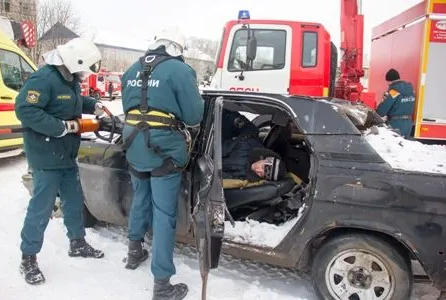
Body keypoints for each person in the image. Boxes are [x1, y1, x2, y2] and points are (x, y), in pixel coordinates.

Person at [120, 27, 204, 300]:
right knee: (164, 214)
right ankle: (162, 285)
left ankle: (134, 252)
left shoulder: (132, 69)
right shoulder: (181, 71)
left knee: (140, 197)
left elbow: (127, 107)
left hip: (133, 144)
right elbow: (193, 116)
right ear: (178, 49)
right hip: (164, 148)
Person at [14, 38, 106, 285]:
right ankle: (28, 258)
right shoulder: (44, 79)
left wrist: (92, 105)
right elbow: (25, 109)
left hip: (66, 154)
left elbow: (69, 102)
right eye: (84, 67)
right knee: (41, 209)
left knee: (74, 201)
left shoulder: (70, 79)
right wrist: (59, 127)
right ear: (74, 61)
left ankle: (77, 243)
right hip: (46, 155)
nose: (85, 74)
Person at [222, 110, 286, 182]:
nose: (257, 170)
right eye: (262, 167)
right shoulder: (249, 140)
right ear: (265, 158)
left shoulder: (244, 179)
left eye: (261, 174)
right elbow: (231, 118)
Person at [376, 68, 416, 138]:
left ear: (390, 81)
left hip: (396, 124)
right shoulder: (410, 89)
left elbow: (381, 111)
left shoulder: (393, 91)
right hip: (409, 123)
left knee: (395, 146)